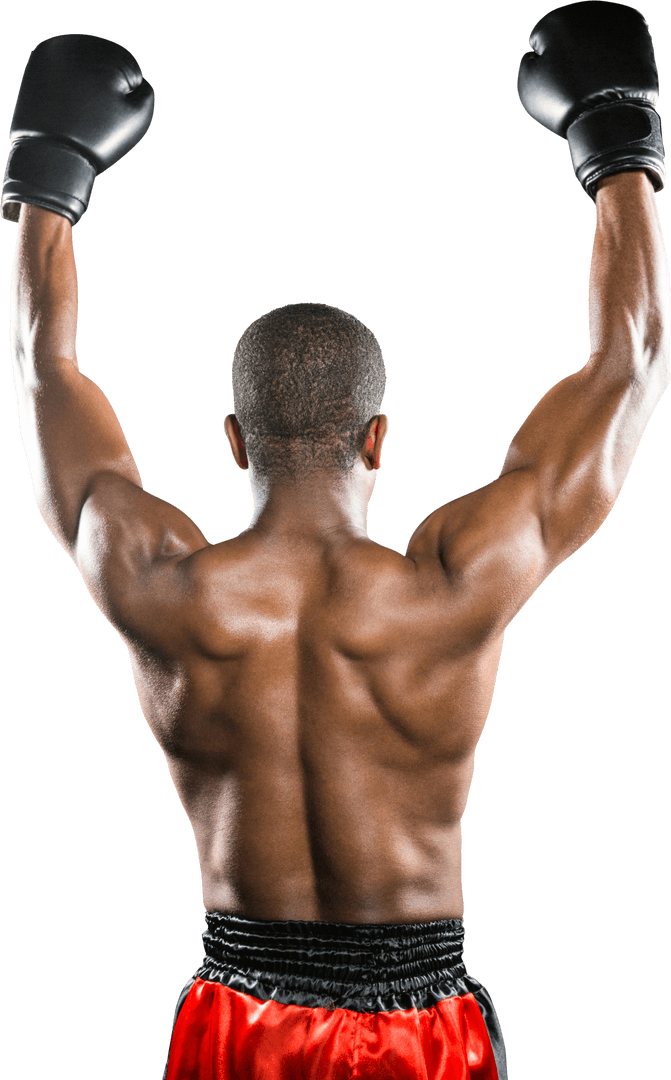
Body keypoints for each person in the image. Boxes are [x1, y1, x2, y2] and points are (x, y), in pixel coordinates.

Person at [4, 6, 669, 1078]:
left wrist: (49, 183)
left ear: (233, 441)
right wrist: (614, 143)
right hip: (423, 1035)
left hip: (237, 1018)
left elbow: (43, 376)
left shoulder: (160, 585)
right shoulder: (457, 583)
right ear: (377, 439)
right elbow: (631, 364)